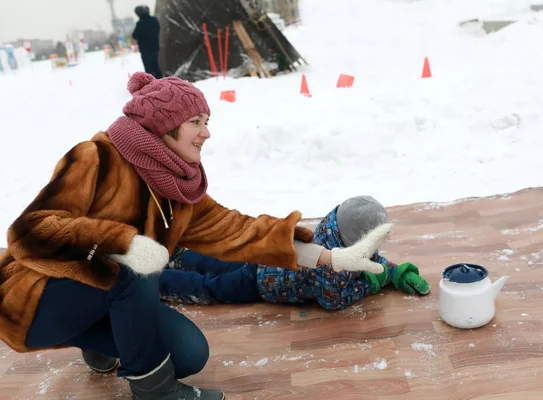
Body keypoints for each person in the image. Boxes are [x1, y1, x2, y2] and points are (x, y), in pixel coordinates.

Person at [0, 72, 392, 400]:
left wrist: (330, 258)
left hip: (100, 294)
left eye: (208, 122)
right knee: (133, 262)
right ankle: (154, 393)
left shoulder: (177, 190)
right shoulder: (96, 157)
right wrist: (123, 243)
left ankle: (93, 338)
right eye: (197, 122)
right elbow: (29, 230)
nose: (207, 134)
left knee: (189, 354)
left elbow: (241, 232)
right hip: (33, 299)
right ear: (164, 126)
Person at [157, 196, 431, 310]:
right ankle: (158, 282)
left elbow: (368, 261)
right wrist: (371, 285)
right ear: (355, 241)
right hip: (259, 284)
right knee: (213, 286)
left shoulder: (333, 230)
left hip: (262, 257)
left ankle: (179, 256)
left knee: (218, 260)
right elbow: (331, 300)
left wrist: (392, 272)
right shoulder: (327, 263)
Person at [132, 5, 163, 78]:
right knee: (156, 66)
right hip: (154, 47)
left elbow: (135, 36)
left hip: (145, 49)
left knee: (148, 68)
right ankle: (161, 82)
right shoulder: (154, 20)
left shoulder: (140, 23)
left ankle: (152, 84)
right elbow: (158, 30)